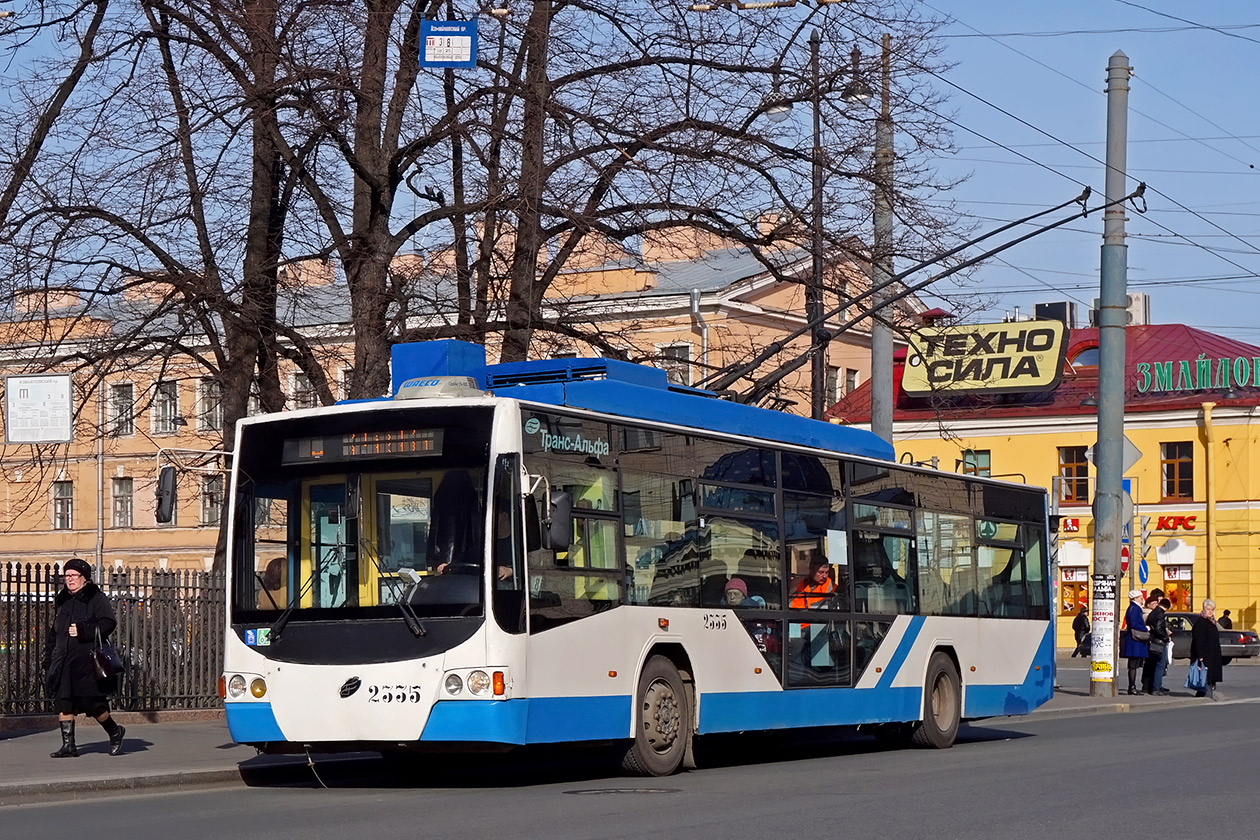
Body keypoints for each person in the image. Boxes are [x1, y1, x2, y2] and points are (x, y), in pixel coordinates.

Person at [42, 558, 126, 758]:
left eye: (73, 576)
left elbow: (108, 622)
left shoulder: (95, 598)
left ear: (84, 578)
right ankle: (68, 746)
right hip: (63, 660)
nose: (69, 579)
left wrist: (82, 630)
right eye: (67, 576)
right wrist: (49, 657)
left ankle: (115, 731)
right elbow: (55, 631)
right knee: (64, 702)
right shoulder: (62, 599)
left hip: (86, 663)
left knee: (93, 704)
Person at [1189, 598, 1224, 700]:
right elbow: (1199, 641)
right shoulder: (1201, 622)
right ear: (1203, 609)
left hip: (1212, 654)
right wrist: (1200, 655)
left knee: (1208, 676)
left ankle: (1204, 694)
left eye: (1212, 610)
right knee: (1205, 676)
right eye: (1208, 609)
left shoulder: (1212, 622)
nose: (1210, 611)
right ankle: (1206, 696)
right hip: (1205, 654)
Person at [1120, 589, 1149, 696]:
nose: (1142, 600)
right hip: (1135, 641)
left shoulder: (1134, 608)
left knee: (1134, 665)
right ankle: (1131, 687)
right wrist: (1146, 628)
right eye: (1141, 598)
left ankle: (1132, 687)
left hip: (1134, 641)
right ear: (1136, 598)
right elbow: (1134, 623)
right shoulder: (1134, 609)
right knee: (1133, 665)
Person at [1142, 594, 1171, 695]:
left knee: (1152, 664)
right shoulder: (1160, 614)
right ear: (1167, 607)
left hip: (1152, 641)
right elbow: (1158, 628)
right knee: (1160, 665)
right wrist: (1166, 637)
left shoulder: (1153, 613)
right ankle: (1156, 688)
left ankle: (1149, 687)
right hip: (1159, 642)